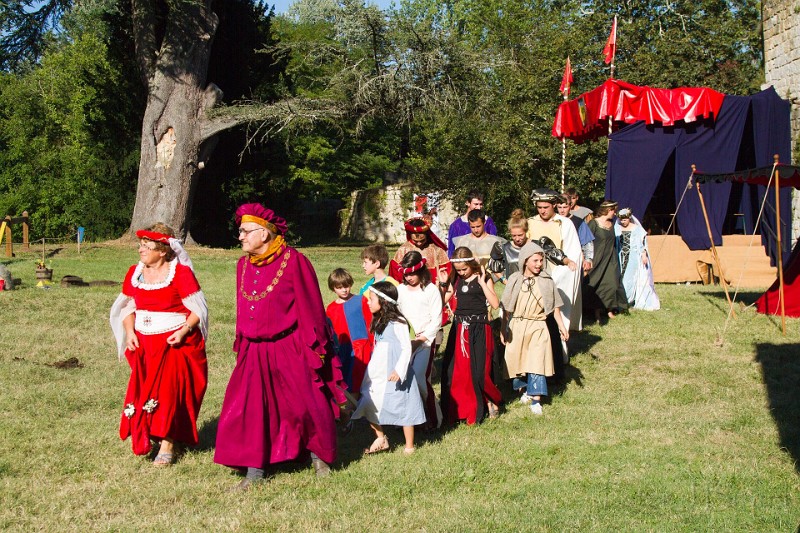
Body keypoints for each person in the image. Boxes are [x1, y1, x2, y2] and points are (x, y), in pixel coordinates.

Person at [214, 203, 346, 490]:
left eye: (245, 231)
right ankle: (255, 471)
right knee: (250, 408)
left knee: (305, 403)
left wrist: (314, 348)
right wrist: (242, 339)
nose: (240, 237)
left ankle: (318, 456)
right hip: (253, 349)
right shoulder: (242, 265)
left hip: (291, 345)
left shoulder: (295, 261)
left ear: (264, 233)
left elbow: (310, 306)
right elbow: (242, 307)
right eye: (240, 232)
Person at [109, 223, 209, 466]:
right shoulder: (135, 272)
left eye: (147, 246)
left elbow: (198, 310)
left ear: (163, 250)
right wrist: (130, 331)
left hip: (174, 343)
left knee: (170, 392)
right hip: (145, 343)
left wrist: (184, 331)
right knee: (146, 391)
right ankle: (149, 432)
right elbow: (127, 306)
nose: (141, 250)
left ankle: (168, 443)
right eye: (141, 245)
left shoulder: (181, 273)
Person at [351, 281, 426, 454]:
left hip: (395, 369)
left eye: (371, 299)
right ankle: (381, 437)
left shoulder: (398, 322)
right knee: (368, 401)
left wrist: (399, 370)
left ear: (384, 302)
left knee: (405, 405)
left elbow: (406, 347)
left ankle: (409, 446)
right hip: (379, 370)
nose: (368, 303)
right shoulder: (378, 321)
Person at [500, 241, 568, 415]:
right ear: (525, 261)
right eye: (535, 261)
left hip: (538, 325)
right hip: (518, 325)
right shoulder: (515, 279)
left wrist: (562, 327)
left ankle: (536, 399)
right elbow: (507, 307)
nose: (539, 264)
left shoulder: (546, 281)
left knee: (537, 361)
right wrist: (503, 328)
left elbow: (555, 307)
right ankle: (524, 390)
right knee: (519, 360)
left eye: (541, 260)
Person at [438, 247, 502, 424]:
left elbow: (495, 304)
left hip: (480, 327)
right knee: (457, 371)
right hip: (460, 328)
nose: (461, 273)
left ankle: (490, 401)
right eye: (458, 270)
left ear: (471, 264)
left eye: (464, 269)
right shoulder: (456, 278)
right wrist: (443, 285)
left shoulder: (484, 276)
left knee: (480, 369)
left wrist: (482, 283)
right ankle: (463, 407)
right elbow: (443, 301)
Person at [526, 189, 583, 365]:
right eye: (539, 207)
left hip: (557, 277)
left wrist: (559, 275)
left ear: (553, 206)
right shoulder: (529, 223)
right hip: (532, 276)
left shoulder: (564, 223)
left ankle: (558, 356)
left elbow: (573, 252)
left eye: (545, 207)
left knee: (557, 314)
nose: (542, 211)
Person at [395, 251, 444, 428]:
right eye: (406, 274)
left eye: (412, 274)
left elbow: (436, 319)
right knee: (403, 379)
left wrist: (421, 339)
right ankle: (409, 419)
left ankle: (434, 419)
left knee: (420, 379)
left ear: (421, 271)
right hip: (405, 342)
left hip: (425, 343)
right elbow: (396, 315)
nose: (409, 278)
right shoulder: (400, 291)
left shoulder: (430, 290)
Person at [326, 268, 374, 397]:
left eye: (346, 286)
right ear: (333, 288)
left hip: (361, 347)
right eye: (339, 287)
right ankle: (351, 408)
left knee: (362, 379)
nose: (344, 290)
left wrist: (373, 345)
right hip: (342, 349)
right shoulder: (331, 308)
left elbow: (370, 324)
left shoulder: (361, 301)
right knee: (345, 379)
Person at [584, 200, 628, 319]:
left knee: (613, 283)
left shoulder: (612, 224)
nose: (615, 213)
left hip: (610, 259)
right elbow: (586, 241)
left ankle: (610, 309)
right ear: (608, 210)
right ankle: (597, 312)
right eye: (614, 210)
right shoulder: (593, 223)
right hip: (597, 258)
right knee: (598, 284)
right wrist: (587, 258)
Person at [615, 208, 660, 310]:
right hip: (619, 255)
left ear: (629, 218)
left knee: (628, 278)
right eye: (621, 220)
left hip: (632, 256)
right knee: (619, 277)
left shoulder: (636, 229)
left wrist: (643, 255)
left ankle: (627, 300)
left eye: (625, 220)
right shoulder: (617, 228)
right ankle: (619, 301)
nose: (623, 222)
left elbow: (641, 244)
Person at [390, 217, 450, 283]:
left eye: (422, 240)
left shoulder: (436, 250)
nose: (419, 243)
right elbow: (396, 273)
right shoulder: (403, 250)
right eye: (415, 241)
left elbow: (447, 270)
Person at [447, 190, 498, 257]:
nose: (479, 207)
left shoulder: (488, 222)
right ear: (468, 203)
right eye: (476, 204)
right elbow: (451, 251)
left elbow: (494, 244)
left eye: (481, 204)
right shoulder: (456, 225)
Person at [556, 195, 595, 274]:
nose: (562, 210)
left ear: (570, 206)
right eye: (559, 207)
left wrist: (588, 260)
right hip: (556, 260)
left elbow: (587, 243)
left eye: (565, 207)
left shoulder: (578, 222)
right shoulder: (553, 221)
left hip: (574, 260)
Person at [488, 208, 529, 280]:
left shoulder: (536, 245)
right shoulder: (504, 247)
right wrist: (504, 280)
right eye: (514, 235)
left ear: (526, 231)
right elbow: (494, 268)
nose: (517, 239)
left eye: (520, 235)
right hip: (513, 287)